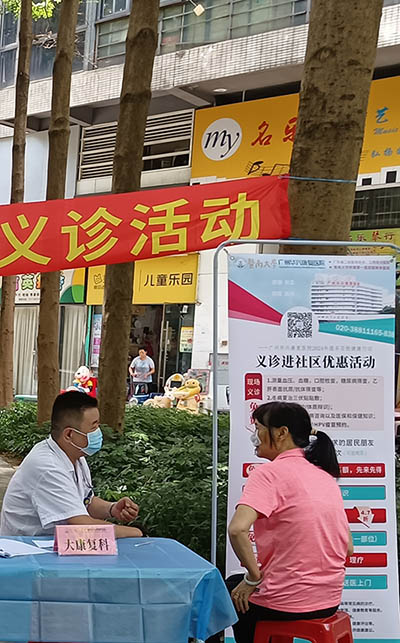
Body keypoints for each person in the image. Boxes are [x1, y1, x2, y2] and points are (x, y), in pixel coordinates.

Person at [215, 401, 352, 643]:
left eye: (258, 428)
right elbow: (348, 547)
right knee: (238, 584)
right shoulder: (324, 477)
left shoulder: (268, 474)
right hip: (329, 601)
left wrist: (253, 578)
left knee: (221, 592)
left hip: (285, 602)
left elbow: (237, 530)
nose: (255, 436)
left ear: (281, 433)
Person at [0, 391, 142, 538]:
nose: (98, 432)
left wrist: (112, 508)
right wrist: (136, 533)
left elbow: (85, 502)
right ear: (69, 434)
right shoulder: (48, 467)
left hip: (54, 544)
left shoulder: (75, 456)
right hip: (26, 546)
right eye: (93, 427)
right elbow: (81, 525)